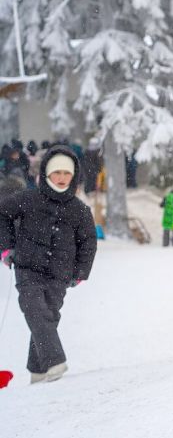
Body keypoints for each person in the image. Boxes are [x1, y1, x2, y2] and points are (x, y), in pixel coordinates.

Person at [0, 146, 97, 384]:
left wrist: (80, 272)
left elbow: (88, 243)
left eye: (67, 173)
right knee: (35, 309)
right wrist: (6, 247)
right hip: (27, 268)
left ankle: (38, 372)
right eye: (57, 173)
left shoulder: (80, 210)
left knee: (48, 317)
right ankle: (54, 361)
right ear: (46, 174)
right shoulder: (28, 199)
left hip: (59, 275)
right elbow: (2, 213)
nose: (62, 178)